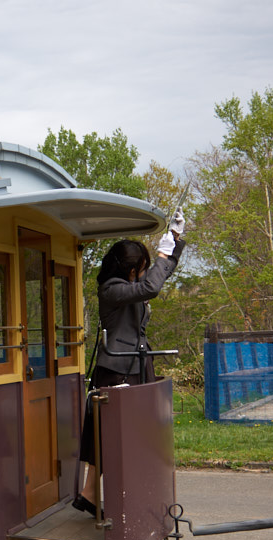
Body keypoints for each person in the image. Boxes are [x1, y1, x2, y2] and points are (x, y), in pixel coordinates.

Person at [73, 209, 187, 516]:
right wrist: (163, 253)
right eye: (141, 267)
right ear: (129, 268)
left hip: (134, 367)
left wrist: (174, 242)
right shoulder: (112, 288)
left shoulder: (129, 285)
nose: (144, 273)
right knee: (115, 436)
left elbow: (156, 279)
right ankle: (117, 497)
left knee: (114, 434)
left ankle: (90, 495)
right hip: (117, 371)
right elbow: (152, 286)